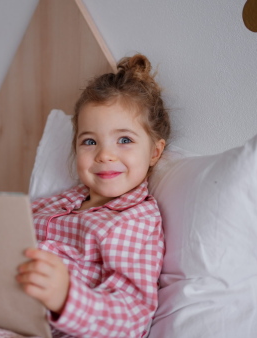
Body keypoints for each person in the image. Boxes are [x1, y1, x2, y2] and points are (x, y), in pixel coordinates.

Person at [16, 53, 171, 337]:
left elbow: (131, 316)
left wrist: (66, 298)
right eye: (89, 141)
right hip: (0, 309)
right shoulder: (59, 202)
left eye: (124, 140)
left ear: (154, 152)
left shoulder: (136, 220)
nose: (105, 155)